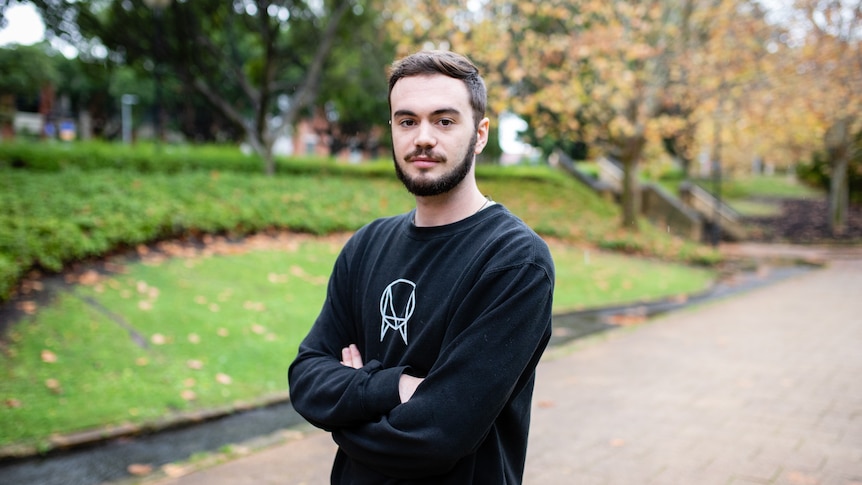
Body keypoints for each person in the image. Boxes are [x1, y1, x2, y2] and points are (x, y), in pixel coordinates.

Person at [288, 50, 555, 484]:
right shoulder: (366, 245)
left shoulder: (514, 261)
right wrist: (392, 388)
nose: (424, 138)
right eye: (407, 121)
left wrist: (344, 413)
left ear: (481, 133)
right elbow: (305, 377)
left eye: (445, 121)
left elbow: (437, 437)